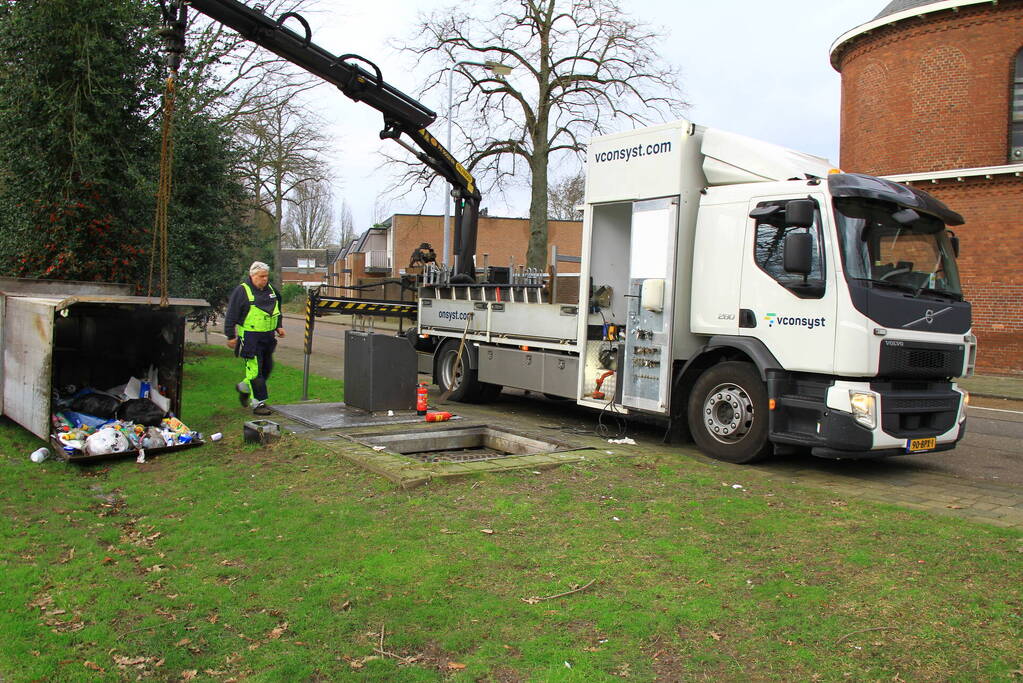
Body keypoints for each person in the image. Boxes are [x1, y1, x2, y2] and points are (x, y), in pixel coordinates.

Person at [224, 261, 286, 416]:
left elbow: (277, 309)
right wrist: (230, 336)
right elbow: (231, 314)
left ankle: (244, 387)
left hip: (268, 337)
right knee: (255, 370)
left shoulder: (272, 290)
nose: (265, 279)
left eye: (266, 276)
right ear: (252, 276)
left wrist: (279, 325)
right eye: (261, 276)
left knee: (267, 368)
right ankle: (258, 403)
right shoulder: (242, 291)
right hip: (250, 338)